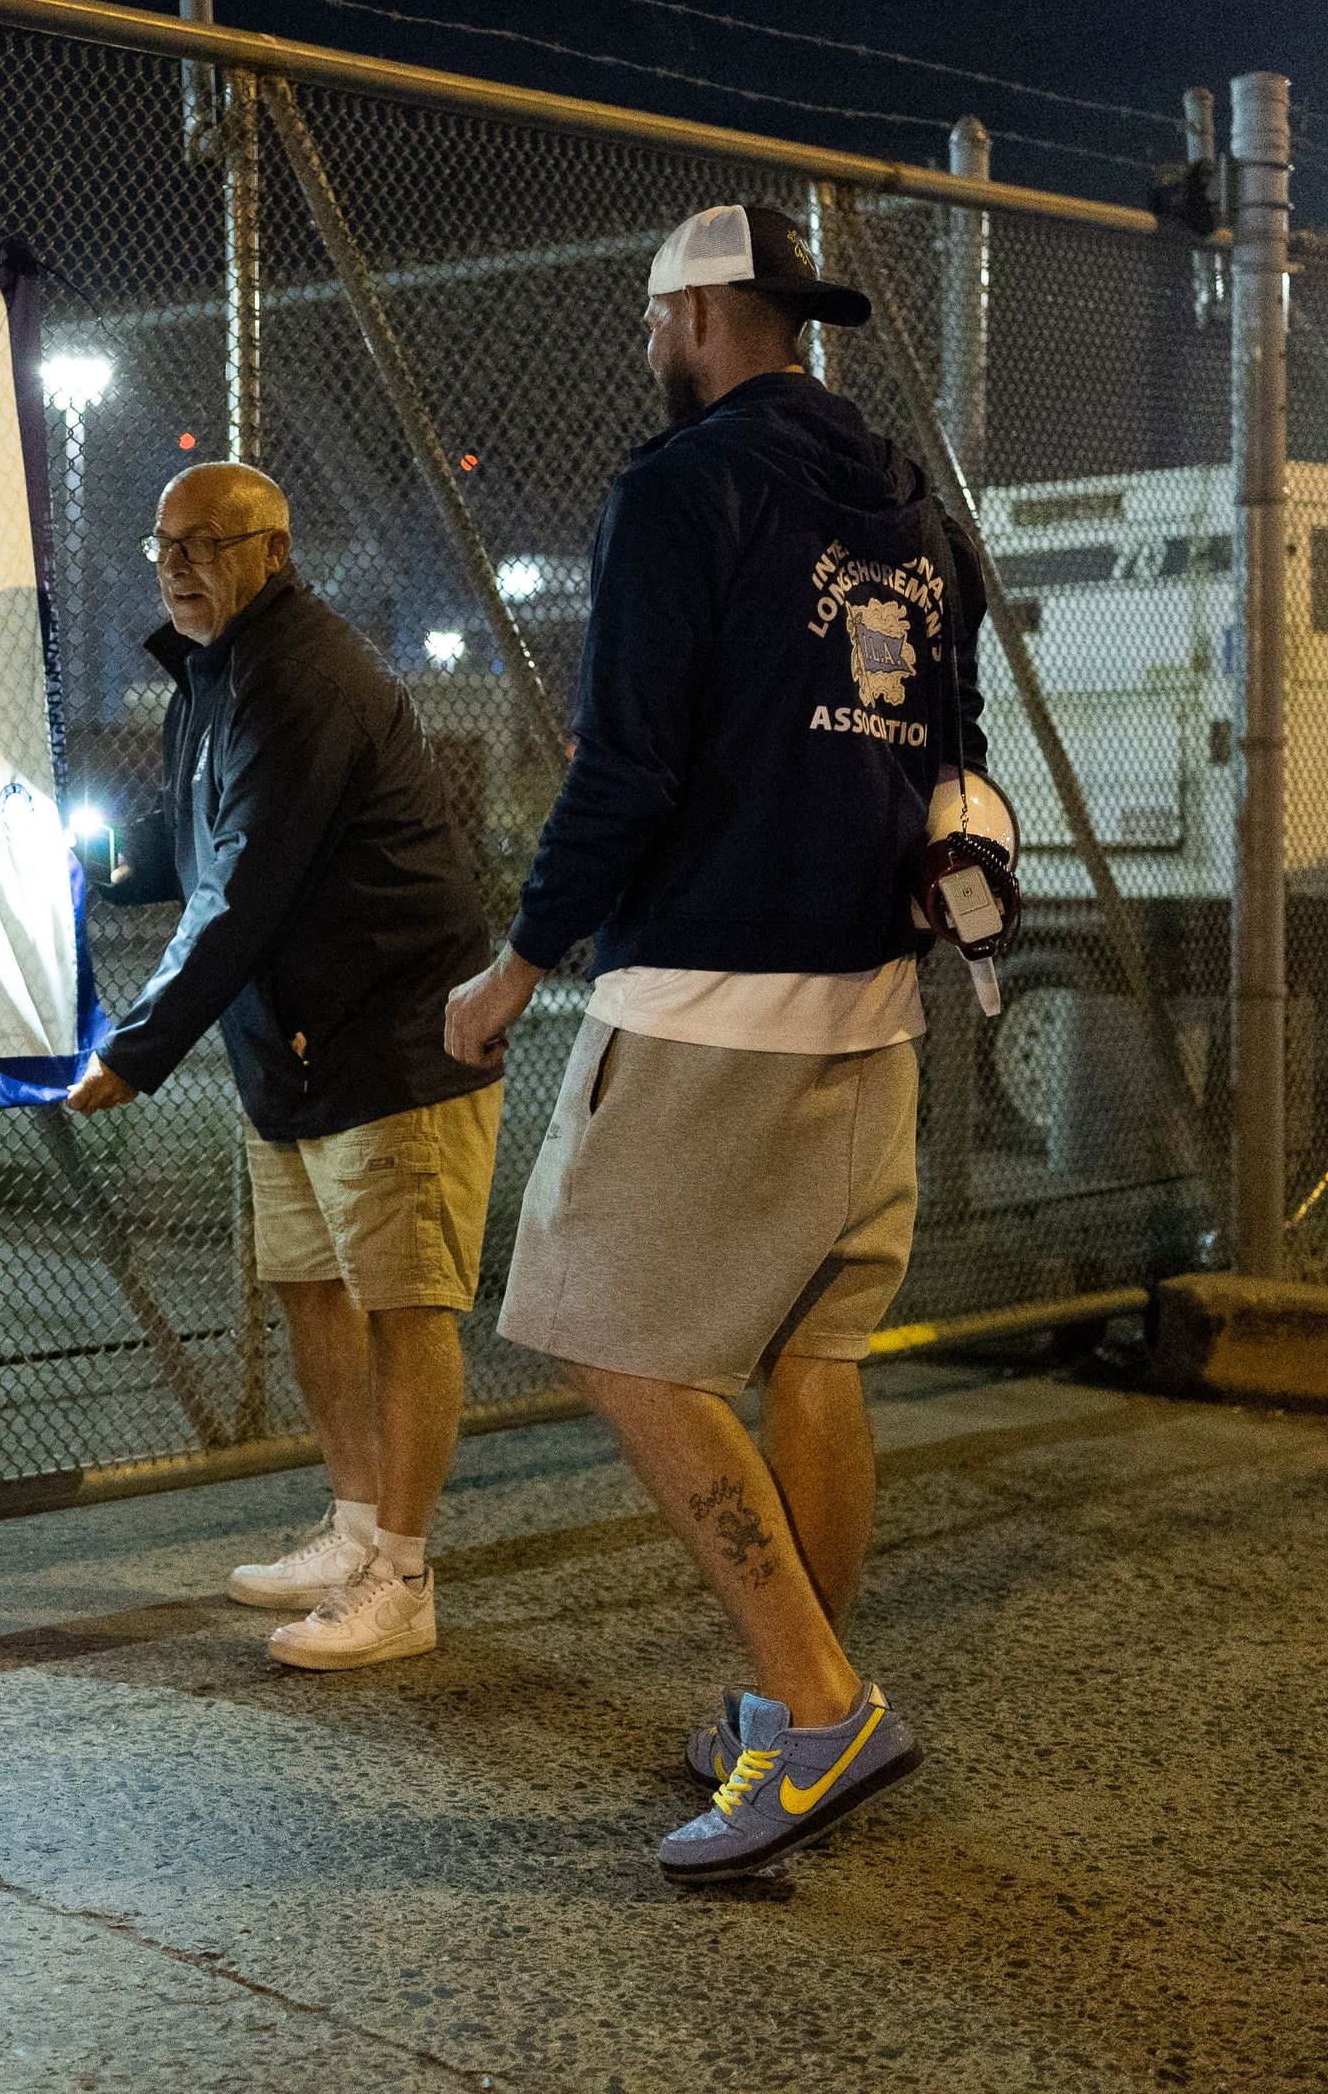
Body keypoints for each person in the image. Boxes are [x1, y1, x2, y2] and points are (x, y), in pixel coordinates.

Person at [443, 202, 994, 1884]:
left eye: (654, 326)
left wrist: (515, 967)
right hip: (874, 1000)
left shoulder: (678, 491)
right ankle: (798, 1697)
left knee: (617, 1338)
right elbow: (945, 739)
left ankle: (817, 1710)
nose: (651, 354)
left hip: (707, 1004)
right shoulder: (916, 509)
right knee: (813, 1355)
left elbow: (629, 767)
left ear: (693, 317)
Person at [65, 463, 503, 1671]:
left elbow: (249, 882)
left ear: (275, 548)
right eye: (163, 544)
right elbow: (198, 844)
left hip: (395, 1038)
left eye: (207, 542)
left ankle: (402, 1576)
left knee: (409, 1304)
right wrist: (106, 861)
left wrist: (138, 1049)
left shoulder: (302, 673)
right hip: (295, 1049)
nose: (178, 565)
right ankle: (353, 1529)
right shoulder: (215, 672)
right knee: (315, 1286)